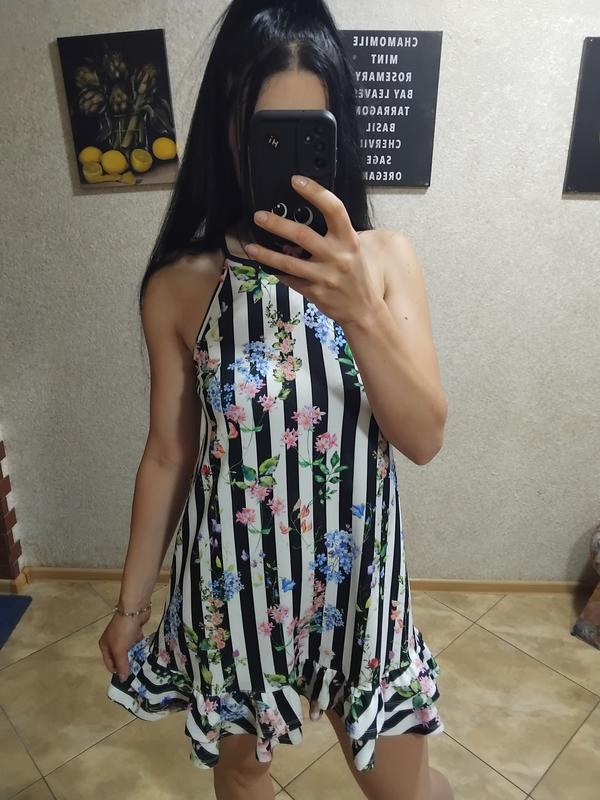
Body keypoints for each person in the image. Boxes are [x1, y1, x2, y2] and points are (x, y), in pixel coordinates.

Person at [98, 2, 453, 799]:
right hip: (234, 589)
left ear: (339, 134)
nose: (289, 163)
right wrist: (130, 606)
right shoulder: (180, 286)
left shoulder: (386, 262)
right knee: (243, 774)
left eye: (308, 133)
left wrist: (360, 311)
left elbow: (424, 437)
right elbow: (168, 453)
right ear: (226, 128)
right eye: (265, 133)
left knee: (406, 790)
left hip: (359, 588)